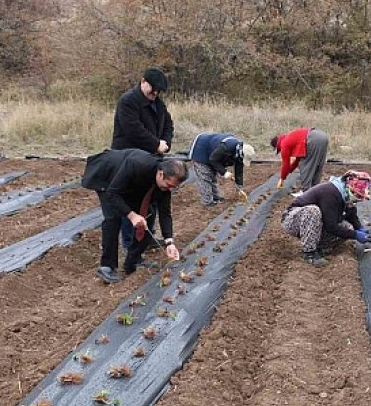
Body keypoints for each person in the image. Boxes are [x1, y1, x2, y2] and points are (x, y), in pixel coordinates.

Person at [81, 148, 186, 283]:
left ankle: (133, 262)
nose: (170, 189)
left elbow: (165, 212)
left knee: (148, 214)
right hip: (106, 177)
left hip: (130, 184)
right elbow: (113, 194)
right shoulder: (137, 165)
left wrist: (169, 242)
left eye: (174, 187)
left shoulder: (165, 183)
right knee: (113, 218)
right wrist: (132, 215)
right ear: (160, 174)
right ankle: (107, 266)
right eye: (169, 185)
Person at [110, 67, 174, 250]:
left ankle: (146, 238)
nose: (155, 93)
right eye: (153, 88)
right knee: (132, 202)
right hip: (128, 159)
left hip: (151, 159)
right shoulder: (128, 101)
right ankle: (131, 245)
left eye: (159, 90)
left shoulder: (158, 104)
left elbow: (169, 124)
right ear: (143, 81)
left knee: (151, 200)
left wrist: (165, 143)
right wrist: (155, 144)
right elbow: (133, 130)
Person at [281, 170, 371, 266]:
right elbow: (331, 226)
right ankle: (309, 253)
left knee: (348, 228)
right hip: (293, 219)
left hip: (316, 223)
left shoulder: (345, 195)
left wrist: (360, 228)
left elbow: (351, 214)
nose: (358, 198)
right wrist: (356, 235)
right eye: (358, 195)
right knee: (313, 211)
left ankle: (320, 247)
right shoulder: (330, 192)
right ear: (349, 187)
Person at [188, 132, 255, 206]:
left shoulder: (239, 155)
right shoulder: (227, 147)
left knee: (212, 176)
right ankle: (208, 202)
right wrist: (224, 172)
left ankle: (216, 198)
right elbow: (213, 159)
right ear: (241, 153)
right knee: (205, 176)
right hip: (201, 148)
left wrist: (240, 188)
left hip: (213, 153)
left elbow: (239, 172)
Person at [270, 127, 329, 193]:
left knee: (305, 165)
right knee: (318, 164)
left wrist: (282, 179)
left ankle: (306, 192)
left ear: (277, 146)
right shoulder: (289, 138)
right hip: (322, 136)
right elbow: (298, 159)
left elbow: (285, 164)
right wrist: (290, 170)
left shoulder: (283, 144)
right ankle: (315, 190)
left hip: (312, 139)